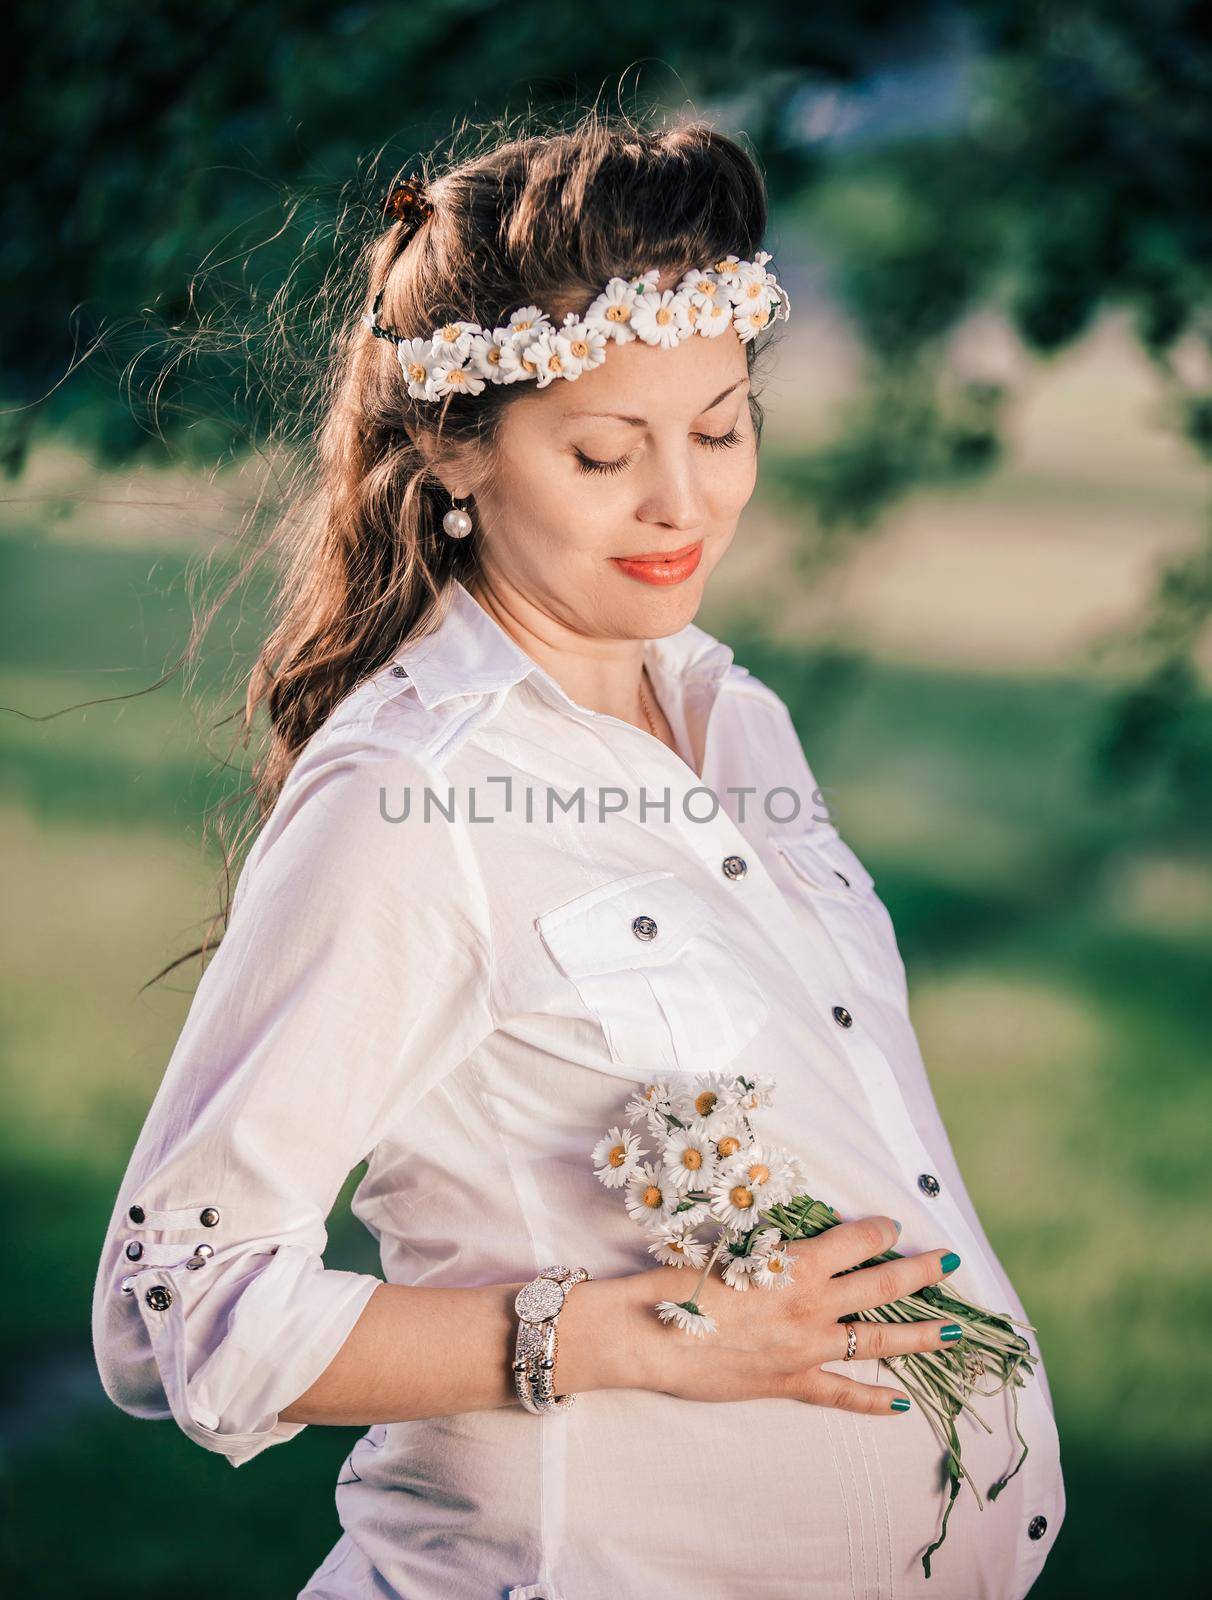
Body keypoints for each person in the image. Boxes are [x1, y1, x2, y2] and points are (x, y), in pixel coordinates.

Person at [91, 112, 1065, 1599]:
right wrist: (625, 1337)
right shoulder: (407, 797)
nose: (684, 502)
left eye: (721, 429)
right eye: (607, 451)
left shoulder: (735, 720)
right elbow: (183, 1306)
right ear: (452, 445)